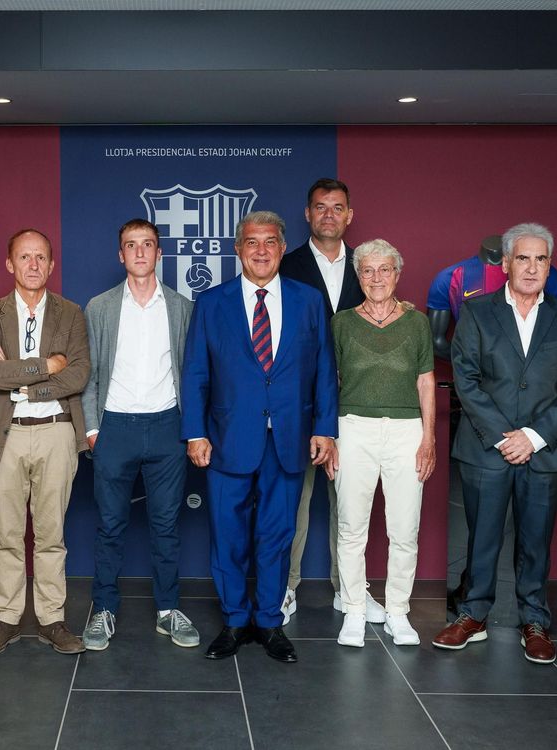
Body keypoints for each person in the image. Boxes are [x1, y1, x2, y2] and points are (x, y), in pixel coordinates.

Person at [181, 210, 338, 663]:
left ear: (282, 248)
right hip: (227, 438)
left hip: (289, 439)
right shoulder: (212, 303)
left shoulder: (309, 301)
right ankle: (235, 619)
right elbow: (196, 372)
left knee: (277, 535)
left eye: (270, 242)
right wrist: (195, 432)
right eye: (252, 242)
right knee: (228, 536)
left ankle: (269, 621)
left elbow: (324, 370)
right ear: (238, 249)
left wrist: (325, 428)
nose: (262, 250)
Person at [434, 222, 557, 665]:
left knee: (536, 541)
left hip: (544, 448)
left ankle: (534, 621)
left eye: (541, 259)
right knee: (482, 536)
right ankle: (473, 615)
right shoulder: (477, 312)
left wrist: (534, 437)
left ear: (549, 266)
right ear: (506, 264)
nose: (532, 267)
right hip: (487, 447)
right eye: (523, 258)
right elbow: (465, 378)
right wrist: (507, 437)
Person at [80, 219, 198, 651]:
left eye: (147, 244)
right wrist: (93, 430)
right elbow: (88, 373)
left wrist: (190, 429)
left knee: (166, 526)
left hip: (167, 427)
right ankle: (103, 610)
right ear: (121, 255)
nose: (140, 252)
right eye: (131, 245)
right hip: (115, 427)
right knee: (110, 525)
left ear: (159, 253)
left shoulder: (181, 306)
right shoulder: (100, 307)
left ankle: (168, 610)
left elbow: (191, 373)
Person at [0, 229, 91, 657]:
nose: (33, 265)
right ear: (10, 264)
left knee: (50, 535)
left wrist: (24, 384)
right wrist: (46, 365)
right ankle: (7, 620)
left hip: (56, 431)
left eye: (41, 257)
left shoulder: (71, 313)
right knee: (7, 534)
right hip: (6, 435)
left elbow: (77, 374)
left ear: (51, 265)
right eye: (25, 257)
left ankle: (51, 620)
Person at [278, 178, 375, 624]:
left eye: (338, 207)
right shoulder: (285, 265)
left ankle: (349, 590)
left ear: (349, 215)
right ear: (308, 214)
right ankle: (285, 587)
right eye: (321, 207)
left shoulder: (367, 267)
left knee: (350, 504)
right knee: (292, 502)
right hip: (298, 404)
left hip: (354, 403)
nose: (329, 214)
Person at [331, 239, 435, 648]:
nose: (376, 278)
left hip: (407, 431)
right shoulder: (341, 323)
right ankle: (354, 609)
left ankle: (397, 612)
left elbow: (425, 381)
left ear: (397, 274)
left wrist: (429, 438)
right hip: (353, 428)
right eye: (368, 270)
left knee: (404, 529)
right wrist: (329, 435)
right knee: (351, 527)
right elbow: (330, 381)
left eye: (384, 269)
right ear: (359, 276)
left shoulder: (417, 323)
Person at [427, 235, 557, 360]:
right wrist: (469, 364)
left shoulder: (542, 273)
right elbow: (436, 342)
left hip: (531, 373)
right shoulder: (450, 277)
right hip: (475, 372)